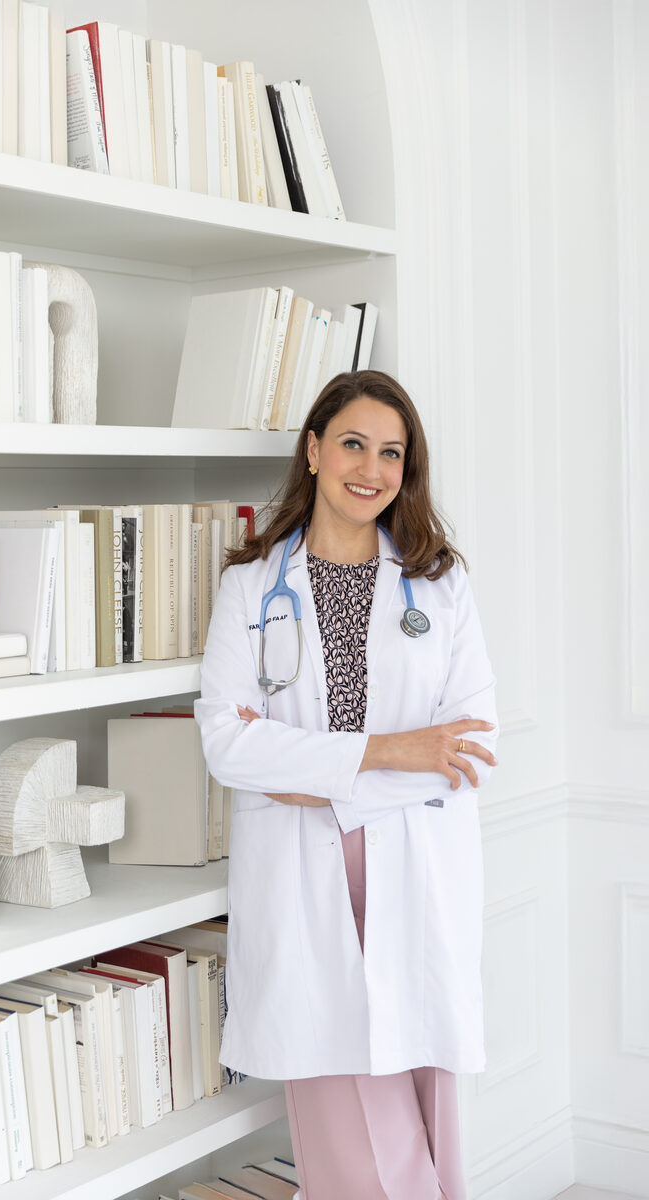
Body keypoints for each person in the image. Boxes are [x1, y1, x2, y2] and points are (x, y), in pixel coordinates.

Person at [194, 370, 499, 1200]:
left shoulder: (440, 583)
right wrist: (398, 753)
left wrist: (317, 770)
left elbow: (468, 750)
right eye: (355, 444)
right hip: (304, 875)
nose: (371, 468)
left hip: (416, 868)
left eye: (392, 452)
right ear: (315, 449)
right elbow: (227, 744)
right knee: (352, 1125)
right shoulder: (251, 586)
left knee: (430, 1114)